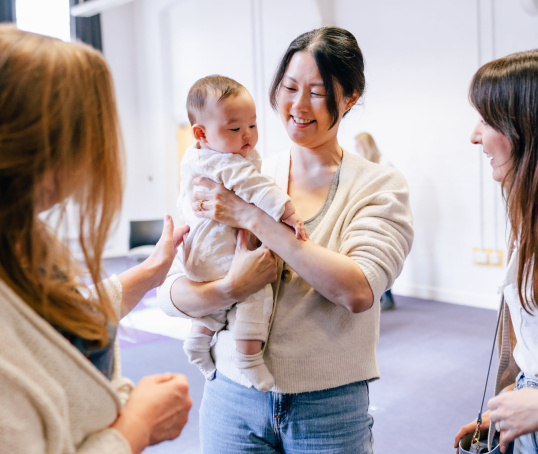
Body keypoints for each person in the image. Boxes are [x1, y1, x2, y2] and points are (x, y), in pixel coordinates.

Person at [158, 26, 413, 453]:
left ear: (349, 99)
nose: (298, 105)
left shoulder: (379, 186)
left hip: (327, 407)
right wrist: (228, 289)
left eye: (317, 92)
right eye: (289, 87)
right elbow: (171, 292)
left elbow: (357, 290)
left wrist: (250, 217)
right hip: (232, 398)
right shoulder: (238, 169)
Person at [0, 25, 192, 454]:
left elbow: (54, 325)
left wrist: (150, 271)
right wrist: (136, 427)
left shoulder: (24, 236)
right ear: (44, 150)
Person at [178, 75, 307, 391]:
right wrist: (288, 213)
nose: (247, 135)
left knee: (219, 299)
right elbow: (255, 186)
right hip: (216, 246)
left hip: (199, 252)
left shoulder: (201, 154)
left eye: (252, 125)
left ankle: (198, 340)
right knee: (256, 288)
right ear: (201, 133)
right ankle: (248, 359)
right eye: (235, 129)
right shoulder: (224, 161)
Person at [454, 48, 538, 454]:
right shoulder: (527, 218)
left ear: (525, 128)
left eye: (486, 121)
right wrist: (509, 405)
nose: (475, 135)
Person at [354, 132, 397, 311]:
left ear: (365, 146)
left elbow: (391, 193)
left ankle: (386, 297)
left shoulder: (385, 164)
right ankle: (380, 297)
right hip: (369, 217)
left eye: (358, 146)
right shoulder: (363, 166)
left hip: (385, 217)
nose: (355, 150)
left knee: (382, 256)